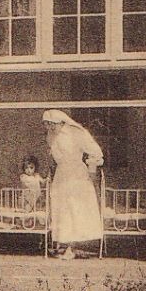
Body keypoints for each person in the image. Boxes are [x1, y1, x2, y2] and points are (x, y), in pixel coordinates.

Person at [43, 110, 105, 260]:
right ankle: (63, 245)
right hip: (61, 175)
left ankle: (72, 247)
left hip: (76, 175)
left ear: (61, 122)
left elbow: (95, 152)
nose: (50, 128)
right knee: (61, 209)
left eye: (53, 125)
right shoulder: (51, 136)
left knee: (74, 209)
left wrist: (92, 167)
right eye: (48, 125)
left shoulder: (76, 133)